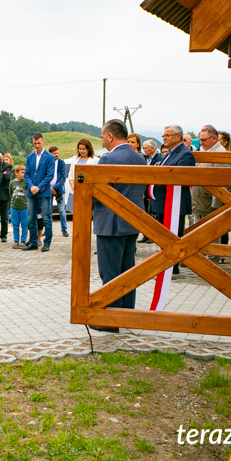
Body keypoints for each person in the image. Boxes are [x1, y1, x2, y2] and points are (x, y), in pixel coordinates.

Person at [91, 120, 147, 330]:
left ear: (111, 136)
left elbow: (97, 191)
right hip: (132, 222)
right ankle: (126, 314)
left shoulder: (108, 159)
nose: (103, 141)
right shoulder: (140, 158)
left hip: (110, 223)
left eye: (103, 137)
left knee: (110, 272)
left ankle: (111, 320)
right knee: (127, 271)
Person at [153, 125, 196, 275]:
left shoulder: (185, 154)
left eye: (167, 135)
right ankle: (165, 263)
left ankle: (172, 267)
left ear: (177, 137)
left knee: (173, 236)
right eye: (163, 135)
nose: (164, 138)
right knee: (163, 236)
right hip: (163, 201)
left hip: (174, 203)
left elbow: (181, 178)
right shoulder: (169, 153)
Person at [192, 125, 228, 260]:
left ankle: (212, 258)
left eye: (203, 140)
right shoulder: (208, 151)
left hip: (209, 203)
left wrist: (216, 204)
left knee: (212, 232)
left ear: (214, 138)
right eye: (200, 140)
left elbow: (221, 182)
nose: (201, 143)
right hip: (202, 201)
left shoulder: (219, 153)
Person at [23, 133, 55, 252]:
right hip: (32, 192)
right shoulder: (30, 157)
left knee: (46, 217)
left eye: (39, 143)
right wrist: (31, 186)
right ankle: (33, 242)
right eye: (35, 143)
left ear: (43, 142)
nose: (37, 145)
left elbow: (50, 174)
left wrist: (39, 187)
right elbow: (26, 173)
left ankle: (47, 243)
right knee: (31, 217)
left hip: (43, 191)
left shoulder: (49, 157)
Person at [67, 139, 99, 217]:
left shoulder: (95, 160)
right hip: (75, 192)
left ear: (88, 149)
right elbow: (70, 175)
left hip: (88, 192)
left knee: (87, 215)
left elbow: (97, 176)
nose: (81, 151)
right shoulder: (75, 160)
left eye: (83, 149)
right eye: (80, 149)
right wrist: (73, 186)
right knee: (77, 216)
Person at [138, 139, 162, 243]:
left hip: (154, 191)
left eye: (145, 148)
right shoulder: (144, 159)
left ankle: (153, 236)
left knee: (153, 215)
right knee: (145, 213)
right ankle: (145, 235)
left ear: (153, 149)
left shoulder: (159, 159)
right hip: (144, 191)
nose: (144, 150)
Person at [49, 145, 69, 237]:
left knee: (61, 210)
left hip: (59, 189)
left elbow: (63, 177)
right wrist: (50, 187)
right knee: (47, 211)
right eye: (54, 153)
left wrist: (55, 187)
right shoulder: (47, 163)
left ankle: (64, 229)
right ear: (50, 153)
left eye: (57, 153)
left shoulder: (61, 163)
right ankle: (48, 230)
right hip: (48, 189)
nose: (56, 155)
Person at [0, 152, 13, 242]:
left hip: (4, 195)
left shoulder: (7, 166)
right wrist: (1, 173)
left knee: (4, 217)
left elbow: (6, 177)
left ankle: (3, 235)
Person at [9, 164, 29, 248]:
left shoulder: (26, 182)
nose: (23, 174)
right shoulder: (12, 182)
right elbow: (10, 193)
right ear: (16, 173)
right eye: (22, 172)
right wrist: (12, 204)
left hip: (24, 207)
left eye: (24, 172)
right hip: (14, 207)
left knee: (24, 225)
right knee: (15, 225)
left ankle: (23, 240)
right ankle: (16, 240)